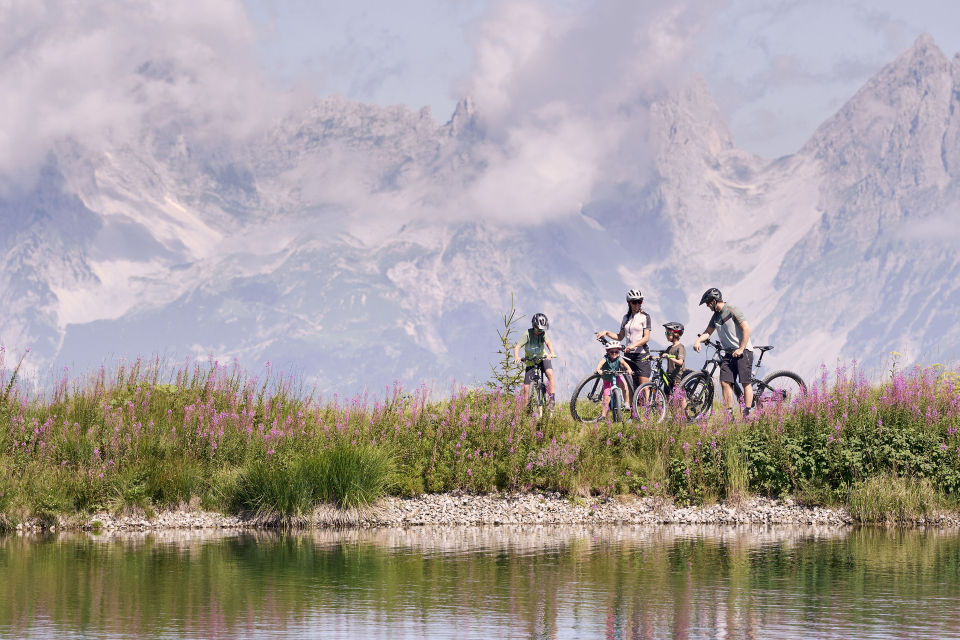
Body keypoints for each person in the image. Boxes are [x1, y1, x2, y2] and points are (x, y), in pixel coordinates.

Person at [691, 288, 754, 417]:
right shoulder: (715, 317)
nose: (708, 306)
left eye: (708, 303)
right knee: (725, 382)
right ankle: (729, 414)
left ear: (714, 301)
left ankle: (747, 414)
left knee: (745, 382)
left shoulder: (731, 310)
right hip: (729, 354)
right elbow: (708, 332)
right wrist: (698, 341)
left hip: (743, 351)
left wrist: (741, 348)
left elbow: (746, 329)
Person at [596, 288, 651, 402]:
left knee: (643, 384)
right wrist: (606, 332)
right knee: (630, 385)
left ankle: (647, 413)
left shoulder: (645, 317)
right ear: (629, 303)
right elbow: (620, 336)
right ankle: (632, 413)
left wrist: (632, 345)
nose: (637, 304)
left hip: (641, 354)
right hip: (628, 355)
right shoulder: (626, 318)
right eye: (634, 302)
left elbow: (646, 337)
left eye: (639, 301)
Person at [513, 313, 557, 408]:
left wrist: (551, 353)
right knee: (526, 388)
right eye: (538, 329)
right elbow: (517, 347)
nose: (540, 331)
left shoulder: (543, 333)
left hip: (542, 357)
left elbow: (548, 342)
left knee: (550, 373)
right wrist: (517, 357)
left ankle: (552, 399)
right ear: (533, 326)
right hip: (530, 360)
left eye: (542, 329)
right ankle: (527, 409)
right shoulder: (527, 334)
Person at [595, 340, 633, 419]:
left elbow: (624, 363)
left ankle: (626, 403)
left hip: (617, 377)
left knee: (625, 388)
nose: (614, 353)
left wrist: (629, 369)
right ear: (608, 352)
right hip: (607, 380)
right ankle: (603, 416)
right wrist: (598, 369)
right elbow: (600, 363)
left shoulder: (619, 358)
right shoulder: (605, 358)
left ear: (619, 351)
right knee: (606, 399)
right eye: (612, 352)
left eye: (616, 351)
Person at [661, 322, 689, 412]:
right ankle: (671, 415)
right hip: (669, 375)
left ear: (675, 334)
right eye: (666, 333)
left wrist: (670, 357)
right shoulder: (670, 347)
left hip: (678, 376)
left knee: (681, 398)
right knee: (667, 395)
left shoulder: (680, 348)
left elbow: (680, 362)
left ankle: (684, 415)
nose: (666, 335)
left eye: (668, 333)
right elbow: (663, 355)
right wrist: (651, 357)